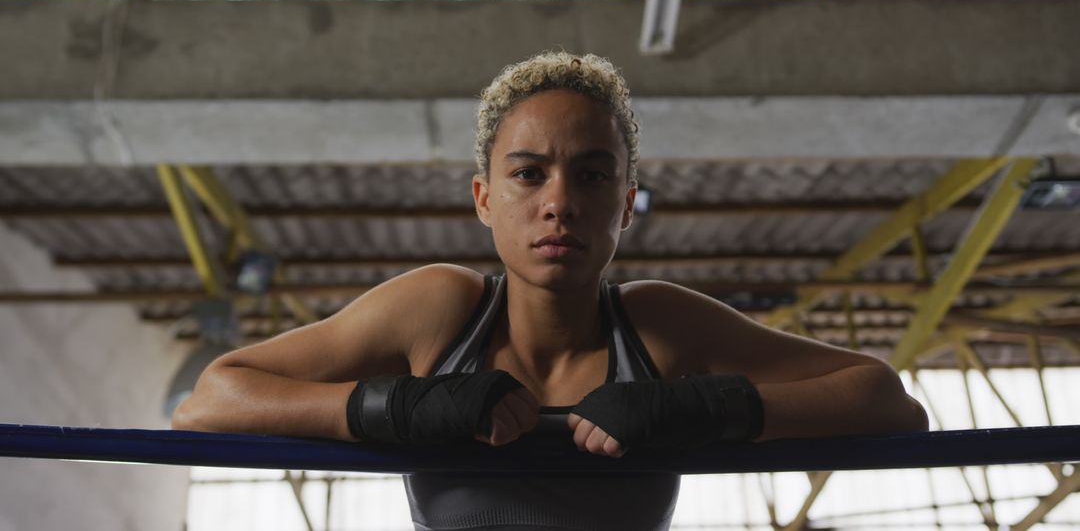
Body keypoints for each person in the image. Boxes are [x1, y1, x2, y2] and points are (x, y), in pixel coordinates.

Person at [173, 51, 928, 530]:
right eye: (528, 174)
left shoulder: (658, 325)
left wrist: (703, 406)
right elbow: (208, 403)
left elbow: (890, 405)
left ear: (627, 204)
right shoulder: (440, 310)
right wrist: (392, 406)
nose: (559, 202)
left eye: (593, 176)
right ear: (482, 199)